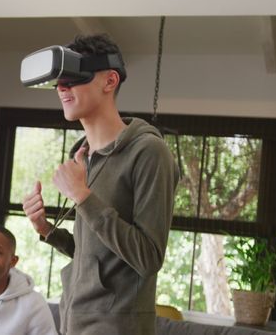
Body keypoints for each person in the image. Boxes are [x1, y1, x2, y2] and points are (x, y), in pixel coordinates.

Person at [22, 34, 179, 335]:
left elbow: (147, 257)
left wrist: (83, 196)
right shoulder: (83, 156)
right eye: (58, 82)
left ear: (109, 81)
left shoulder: (148, 152)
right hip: (73, 322)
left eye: (72, 78)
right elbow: (97, 255)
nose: (62, 88)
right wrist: (46, 230)